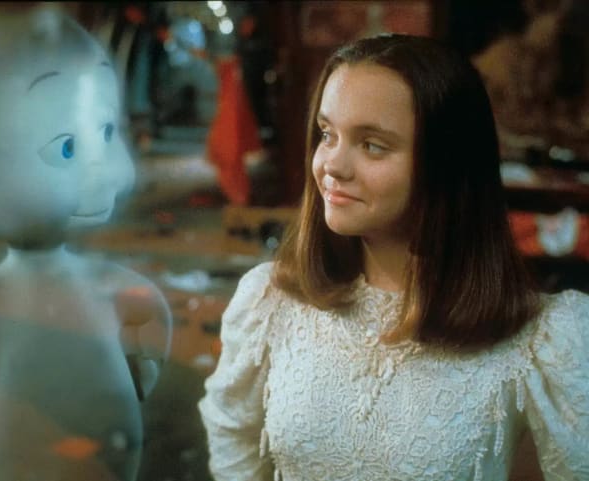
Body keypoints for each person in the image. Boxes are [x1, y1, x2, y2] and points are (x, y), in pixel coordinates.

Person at [198, 34, 589, 481]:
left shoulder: (543, 339)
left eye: (372, 145)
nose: (332, 165)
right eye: (327, 134)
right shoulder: (271, 301)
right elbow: (232, 436)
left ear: (445, 165)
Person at [0, 4, 171, 481]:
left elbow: (151, 310)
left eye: (105, 132)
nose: (104, 169)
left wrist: (149, 361)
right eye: (67, 147)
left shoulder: (97, 283)